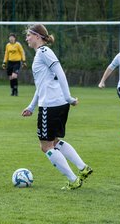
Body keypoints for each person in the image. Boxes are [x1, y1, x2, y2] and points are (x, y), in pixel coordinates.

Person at [21, 24, 93, 190]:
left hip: (51, 105)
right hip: (58, 103)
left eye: (28, 35)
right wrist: (32, 106)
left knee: (45, 146)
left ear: (37, 36)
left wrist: (69, 97)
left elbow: (60, 73)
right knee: (54, 141)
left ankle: (73, 179)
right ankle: (83, 168)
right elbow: (42, 85)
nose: (27, 39)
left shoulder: (44, 52)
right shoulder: (43, 53)